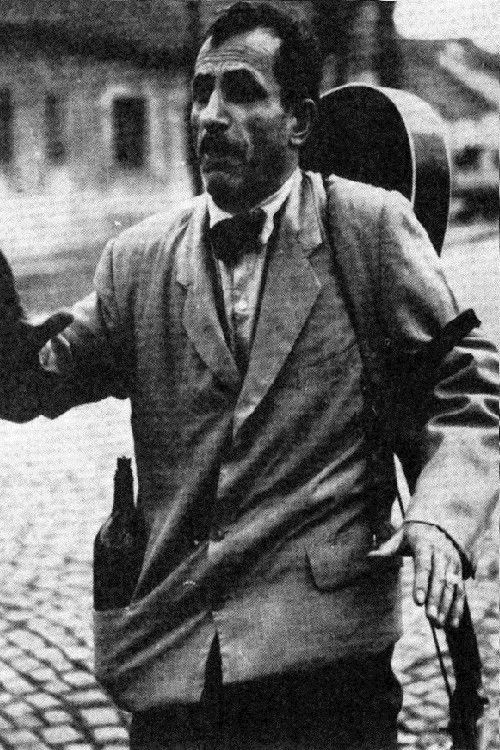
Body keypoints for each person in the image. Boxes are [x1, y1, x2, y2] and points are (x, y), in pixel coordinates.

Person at [0, 3, 497, 748]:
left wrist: (440, 518)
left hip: (328, 672)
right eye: (202, 92)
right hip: (177, 670)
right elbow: (27, 380)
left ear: (299, 121)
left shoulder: (365, 229)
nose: (210, 115)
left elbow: (467, 387)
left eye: (241, 91)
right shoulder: (136, 260)